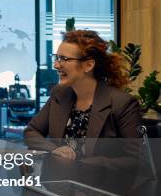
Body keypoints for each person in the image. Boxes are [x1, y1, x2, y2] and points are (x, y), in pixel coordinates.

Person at [24, 30, 142, 159]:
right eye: (57, 58)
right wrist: (55, 149)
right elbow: (31, 132)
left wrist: (80, 163)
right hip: (56, 177)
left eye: (64, 59)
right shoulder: (59, 95)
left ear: (89, 65)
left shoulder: (122, 104)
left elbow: (134, 160)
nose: (56, 65)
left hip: (97, 178)